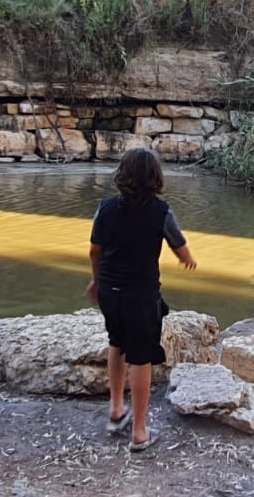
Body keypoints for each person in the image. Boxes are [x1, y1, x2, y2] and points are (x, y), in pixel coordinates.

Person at [86, 148, 198, 452]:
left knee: (116, 343)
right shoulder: (161, 211)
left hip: (110, 289)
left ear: (122, 175)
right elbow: (181, 249)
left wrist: (97, 280)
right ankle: (139, 431)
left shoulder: (105, 208)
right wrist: (189, 259)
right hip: (141, 294)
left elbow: (95, 251)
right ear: (155, 178)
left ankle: (116, 408)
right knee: (141, 357)